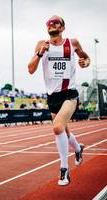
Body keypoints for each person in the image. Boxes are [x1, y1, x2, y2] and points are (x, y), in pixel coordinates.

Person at [28, 15, 90, 186]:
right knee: (65, 132)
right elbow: (30, 69)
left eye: (55, 23)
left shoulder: (73, 43)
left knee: (57, 128)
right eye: (49, 23)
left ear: (62, 27)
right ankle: (78, 148)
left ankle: (64, 169)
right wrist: (40, 53)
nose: (51, 24)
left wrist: (86, 62)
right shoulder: (41, 44)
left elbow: (85, 57)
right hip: (52, 97)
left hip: (69, 93)